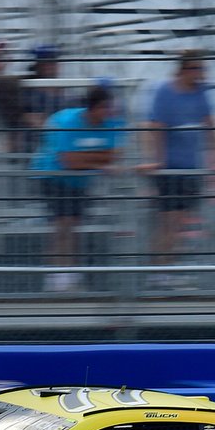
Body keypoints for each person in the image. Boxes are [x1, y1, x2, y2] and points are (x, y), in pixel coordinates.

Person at [140, 49, 215, 288]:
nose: (202, 74)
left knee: (180, 223)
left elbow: (211, 125)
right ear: (184, 69)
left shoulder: (202, 92)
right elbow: (155, 127)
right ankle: (158, 270)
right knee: (168, 221)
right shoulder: (165, 92)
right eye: (197, 68)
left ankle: (167, 268)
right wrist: (156, 161)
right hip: (170, 168)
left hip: (191, 167)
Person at [31, 85, 123, 292]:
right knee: (62, 223)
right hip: (52, 174)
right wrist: (98, 161)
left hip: (79, 180)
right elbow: (68, 161)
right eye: (104, 108)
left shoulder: (110, 123)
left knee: (73, 224)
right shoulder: (68, 122)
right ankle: (57, 274)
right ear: (93, 108)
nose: (108, 113)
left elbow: (113, 155)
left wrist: (85, 159)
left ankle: (69, 270)